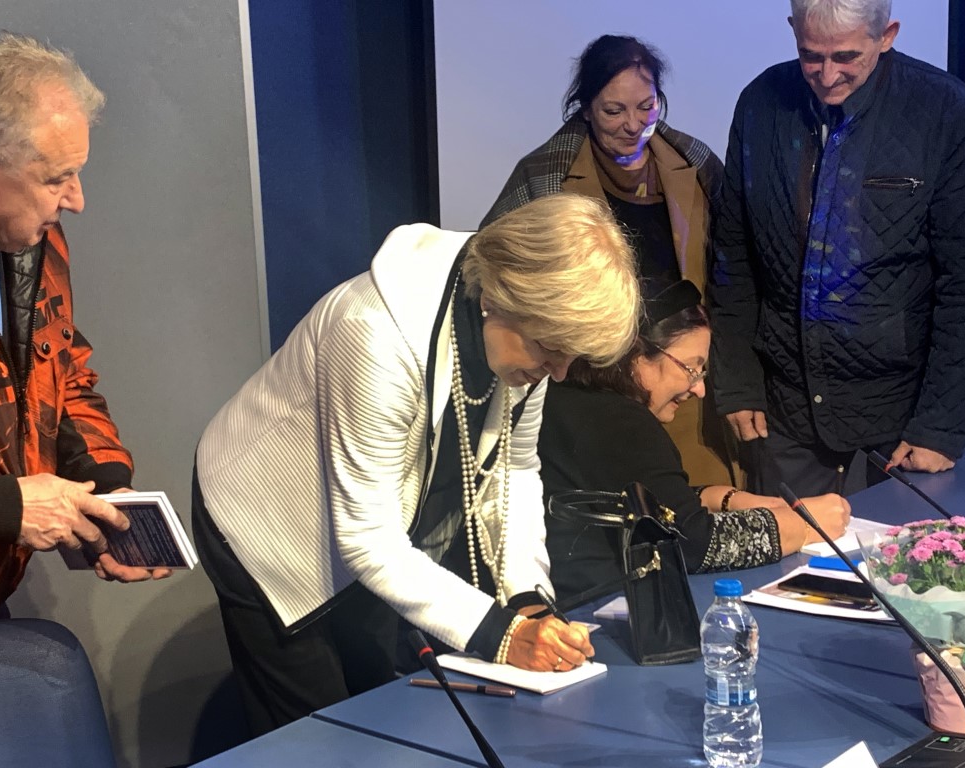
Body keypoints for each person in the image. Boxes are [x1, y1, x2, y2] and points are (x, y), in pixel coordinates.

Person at [192, 193, 640, 734]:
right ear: (498, 297)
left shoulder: (527, 337)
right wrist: (501, 635)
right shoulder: (374, 333)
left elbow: (516, 470)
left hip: (370, 528)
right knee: (318, 733)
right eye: (551, 348)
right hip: (266, 519)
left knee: (378, 710)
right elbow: (368, 540)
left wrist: (527, 600)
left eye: (570, 355)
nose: (561, 372)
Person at [708, 0, 965, 498]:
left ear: (887, 35)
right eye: (810, 55)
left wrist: (940, 425)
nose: (827, 75)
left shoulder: (946, 111)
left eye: (846, 57)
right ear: (793, 29)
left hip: (899, 420)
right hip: (784, 411)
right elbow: (734, 255)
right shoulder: (760, 103)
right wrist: (737, 380)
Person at [0, 33, 169, 622]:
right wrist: (1, 508)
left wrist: (102, 488)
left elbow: (62, 371)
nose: (76, 200)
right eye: (56, 177)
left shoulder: (34, 246)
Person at [483, 34, 736, 488]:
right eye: (614, 111)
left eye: (647, 106)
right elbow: (490, 266)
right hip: (588, 387)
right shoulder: (545, 176)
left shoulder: (696, 164)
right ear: (585, 109)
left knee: (693, 500)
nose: (633, 124)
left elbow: (735, 265)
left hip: (679, 382)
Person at [539, 280, 851, 601]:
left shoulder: (575, 400)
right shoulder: (623, 421)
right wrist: (806, 525)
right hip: (592, 608)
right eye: (692, 368)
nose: (699, 389)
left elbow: (650, 502)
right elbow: (693, 544)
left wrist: (722, 498)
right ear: (636, 354)